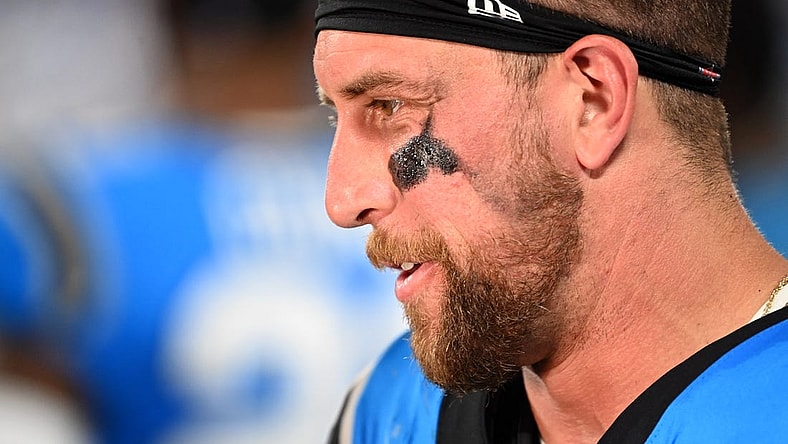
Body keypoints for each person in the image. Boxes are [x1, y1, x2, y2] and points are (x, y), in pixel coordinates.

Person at [312, 0, 788, 443]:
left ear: (593, 101)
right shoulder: (390, 412)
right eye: (336, 117)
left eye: (388, 106)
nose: (341, 202)